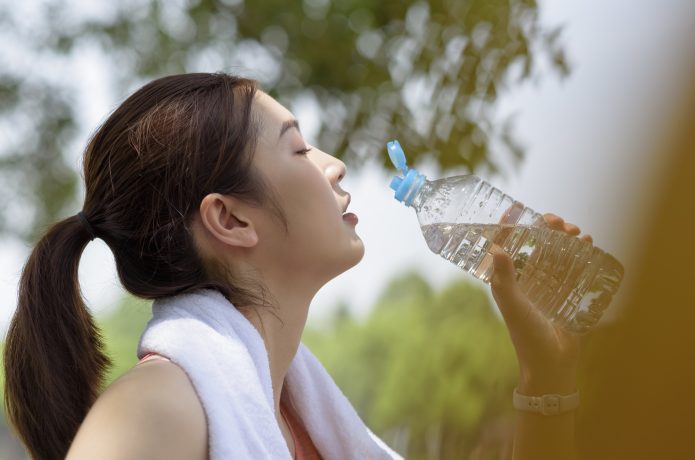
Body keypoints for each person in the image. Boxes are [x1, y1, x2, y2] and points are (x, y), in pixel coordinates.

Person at [2, 73, 592, 460]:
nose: (333, 165)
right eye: (298, 148)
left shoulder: (302, 423)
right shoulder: (155, 409)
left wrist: (547, 379)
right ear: (230, 220)